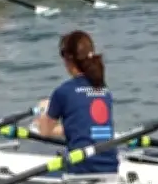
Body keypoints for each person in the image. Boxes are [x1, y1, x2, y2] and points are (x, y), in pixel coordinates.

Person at [34, 30, 118, 175]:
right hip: (111, 167)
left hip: (82, 169)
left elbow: (44, 132)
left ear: (68, 59)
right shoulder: (104, 91)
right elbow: (82, 127)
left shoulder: (63, 92)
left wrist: (43, 110)